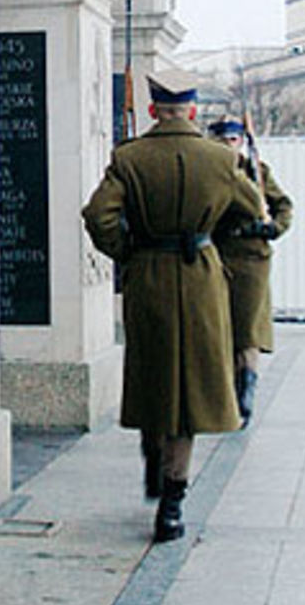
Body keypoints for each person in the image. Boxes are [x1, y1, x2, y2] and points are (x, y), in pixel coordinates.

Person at [82, 68, 265, 542]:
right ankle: (172, 506)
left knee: (154, 377)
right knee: (189, 396)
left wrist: (128, 252)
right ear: (192, 110)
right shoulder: (219, 160)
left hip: (149, 277)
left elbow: (98, 216)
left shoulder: (130, 157)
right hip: (201, 280)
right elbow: (256, 211)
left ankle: (152, 457)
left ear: (151, 111)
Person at [208, 116, 293, 426]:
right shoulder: (209, 170)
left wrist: (273, 228)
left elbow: (283, 205)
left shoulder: (256, 171)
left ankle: (245, 394)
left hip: (252, 257)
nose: (228, 146)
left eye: (233, 140)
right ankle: (226, 396)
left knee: (247, 330)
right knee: (219, 330)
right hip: (216, 254)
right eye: (222, 140)